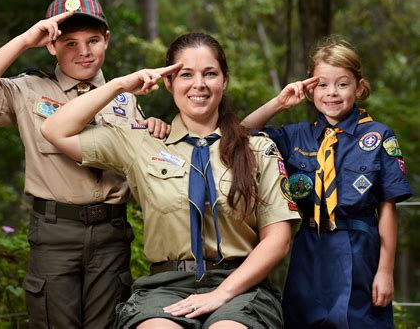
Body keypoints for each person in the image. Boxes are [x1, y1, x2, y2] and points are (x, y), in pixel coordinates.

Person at [41, 32, 301, 328]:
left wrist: (220, 294)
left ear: (224, 80)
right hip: (165, 287)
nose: (199, 85)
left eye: (210, 74)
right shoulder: (142, 142)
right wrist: (119, 85)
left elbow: (278, 240)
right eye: (185, 74)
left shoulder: (257, 148)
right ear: (169, 82)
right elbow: (55, 130)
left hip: (240, 286)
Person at [0, 0, 170, 328]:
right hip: (56, 233)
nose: (83, 52)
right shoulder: (29, 89)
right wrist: (24, 41)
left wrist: (156, 128)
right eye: (70, 43)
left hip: (111, 232)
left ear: (107, 41)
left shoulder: (126, 98)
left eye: (92, 41)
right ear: (51, 46)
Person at [242, 35, 413, 328]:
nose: (331, 93)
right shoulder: (296, 137)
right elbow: (239, 134)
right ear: (310, 89)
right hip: (310, 249)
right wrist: (279, 103)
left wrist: (385, 271)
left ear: (359, 87)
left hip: (359, 250)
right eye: (322, 84)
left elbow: (387, 209)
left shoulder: (379, 137)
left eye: (342, 84)